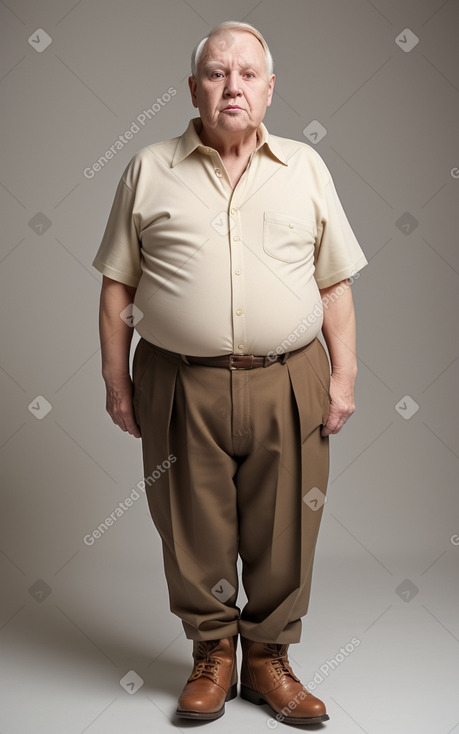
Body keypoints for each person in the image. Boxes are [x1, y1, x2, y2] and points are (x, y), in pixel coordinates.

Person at [92, 20, 367, 725]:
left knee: (287, 527)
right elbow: (118, 286)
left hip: (289, 377)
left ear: (270, 90)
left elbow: (333, 282)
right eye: (216, 73)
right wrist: (116, 382)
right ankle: (213, 655)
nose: (232, 85)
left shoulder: (305, 167)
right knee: (192, 525)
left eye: (247, 73)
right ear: (193, 89)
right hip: (179, 380)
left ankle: (269, 661)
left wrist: (344, 377)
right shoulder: (148, 168)